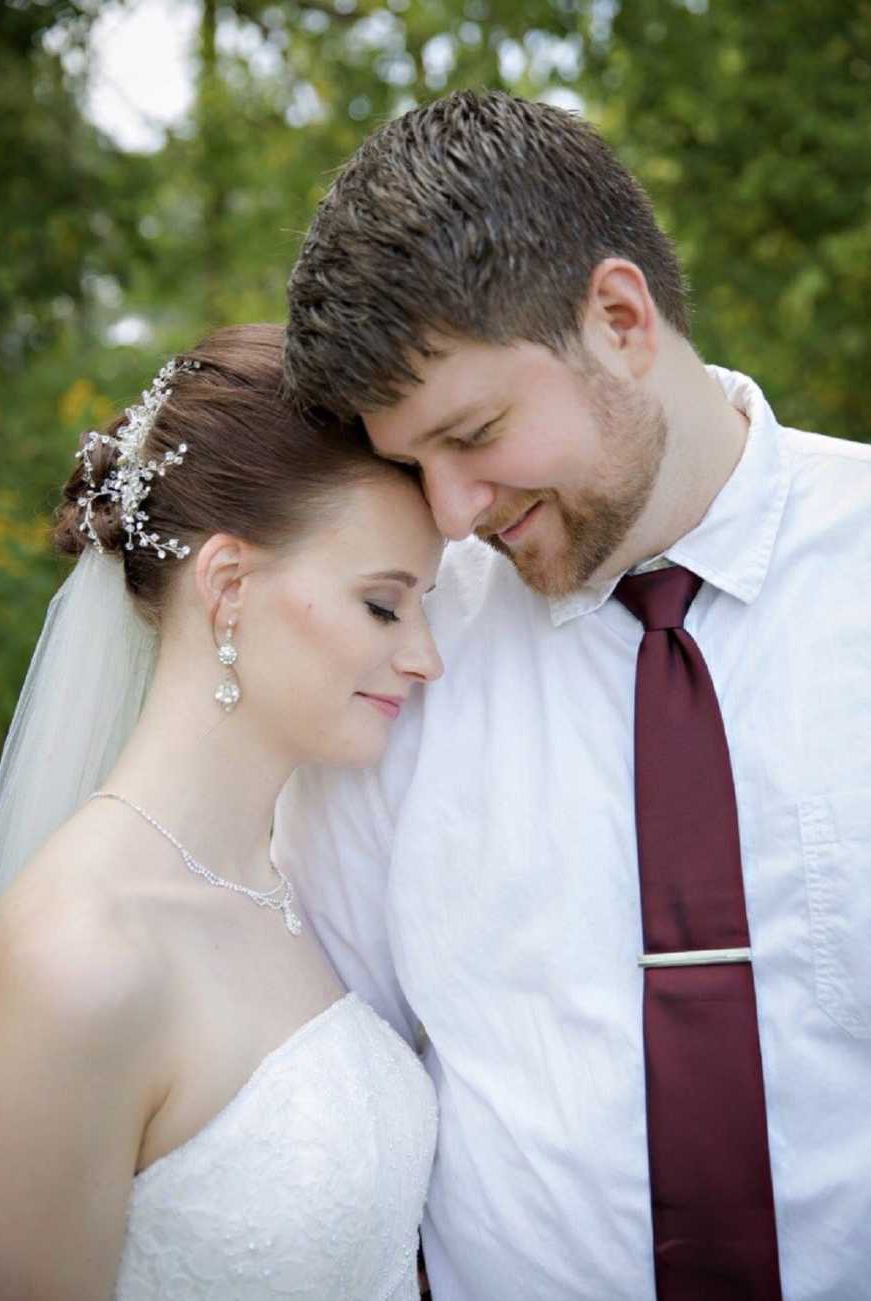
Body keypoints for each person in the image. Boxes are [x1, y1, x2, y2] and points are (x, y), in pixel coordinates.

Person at [278, 90, 871, 1300]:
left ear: (618, 316)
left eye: (477, 431)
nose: (450, 511)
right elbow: (346, 1074)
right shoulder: (397, 654)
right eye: (411, 465)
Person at [0, 323, 445, 1301]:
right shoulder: (79, 952)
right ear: (227, 585)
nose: (426, 657)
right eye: (385, 605)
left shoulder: (299, 874)